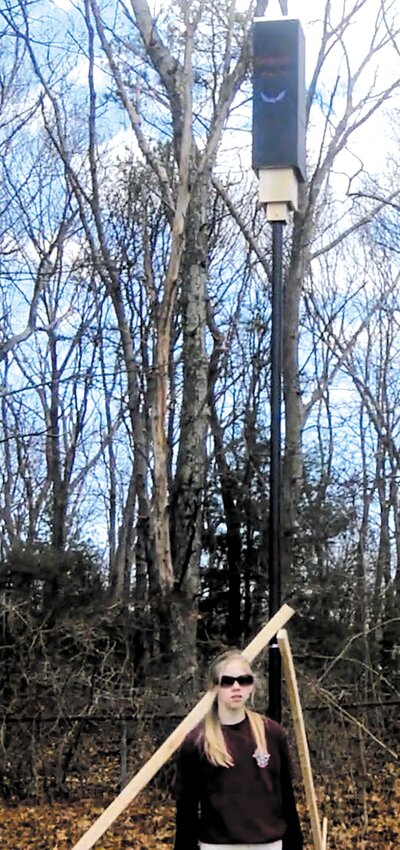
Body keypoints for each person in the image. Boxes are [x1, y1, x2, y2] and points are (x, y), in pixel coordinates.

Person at [173, 650, 303, 850]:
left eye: (243, 680)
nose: (236, 687)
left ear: (251, 687)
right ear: (215, 687)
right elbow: (186, 808)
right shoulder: (197, 741)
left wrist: (295, 844)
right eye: (227, 681)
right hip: (218, 846)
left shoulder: (272, 734)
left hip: (269, 844)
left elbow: (285, 795)